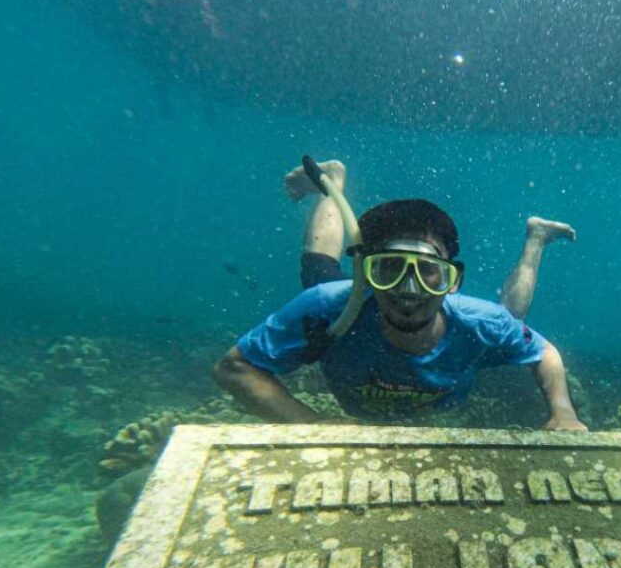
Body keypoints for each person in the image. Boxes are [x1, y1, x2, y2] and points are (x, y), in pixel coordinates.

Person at [214, 160, 587, 431]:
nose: (409, 290)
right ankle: (332, 184)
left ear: (452, 281)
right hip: (340, 306)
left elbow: (544, 351)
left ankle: (536, 238)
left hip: (474, 327)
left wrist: (563, 412)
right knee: (318, 273)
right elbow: (234, 367)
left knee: (511, 315)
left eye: (428, 271)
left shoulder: (480, 323)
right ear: (366, 275)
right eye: (390, 269)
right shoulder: (330, 308)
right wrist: (314, 426)